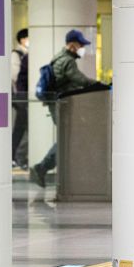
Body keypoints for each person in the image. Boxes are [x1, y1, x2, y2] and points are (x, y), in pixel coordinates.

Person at [29, 29, 97, 187]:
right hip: (63, 105)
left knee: (69, 138)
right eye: (80, 45)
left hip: (59, 104)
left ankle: (46, 169)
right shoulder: (67, 61)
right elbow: (80, 80)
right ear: (72, 45)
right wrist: (100, 85)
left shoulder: (59, 58)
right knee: (68, 139)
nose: (82, 48)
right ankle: (42, 168)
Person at [11, 28, 29, 168]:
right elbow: (14, 76)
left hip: (24, 96)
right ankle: (17, 157)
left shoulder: (27, 54)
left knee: (21, 127)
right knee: (23, 126)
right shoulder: (16, 54)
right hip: (20, 96)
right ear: (22, 40)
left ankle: (15, 156)